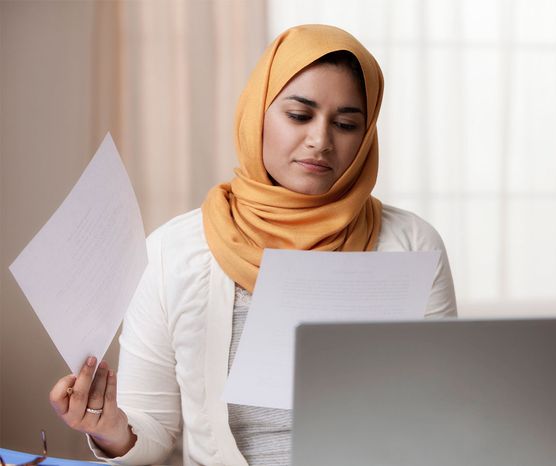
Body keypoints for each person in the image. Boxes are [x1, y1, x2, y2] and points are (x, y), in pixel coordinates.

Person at [47, 24, 457, 466]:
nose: (321, 140)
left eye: (346, 124)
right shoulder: (174, 252)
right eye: (300, 116)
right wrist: (108, 428)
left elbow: (445, 416)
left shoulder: (413, 245)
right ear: (256, 113)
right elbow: (154, 431)